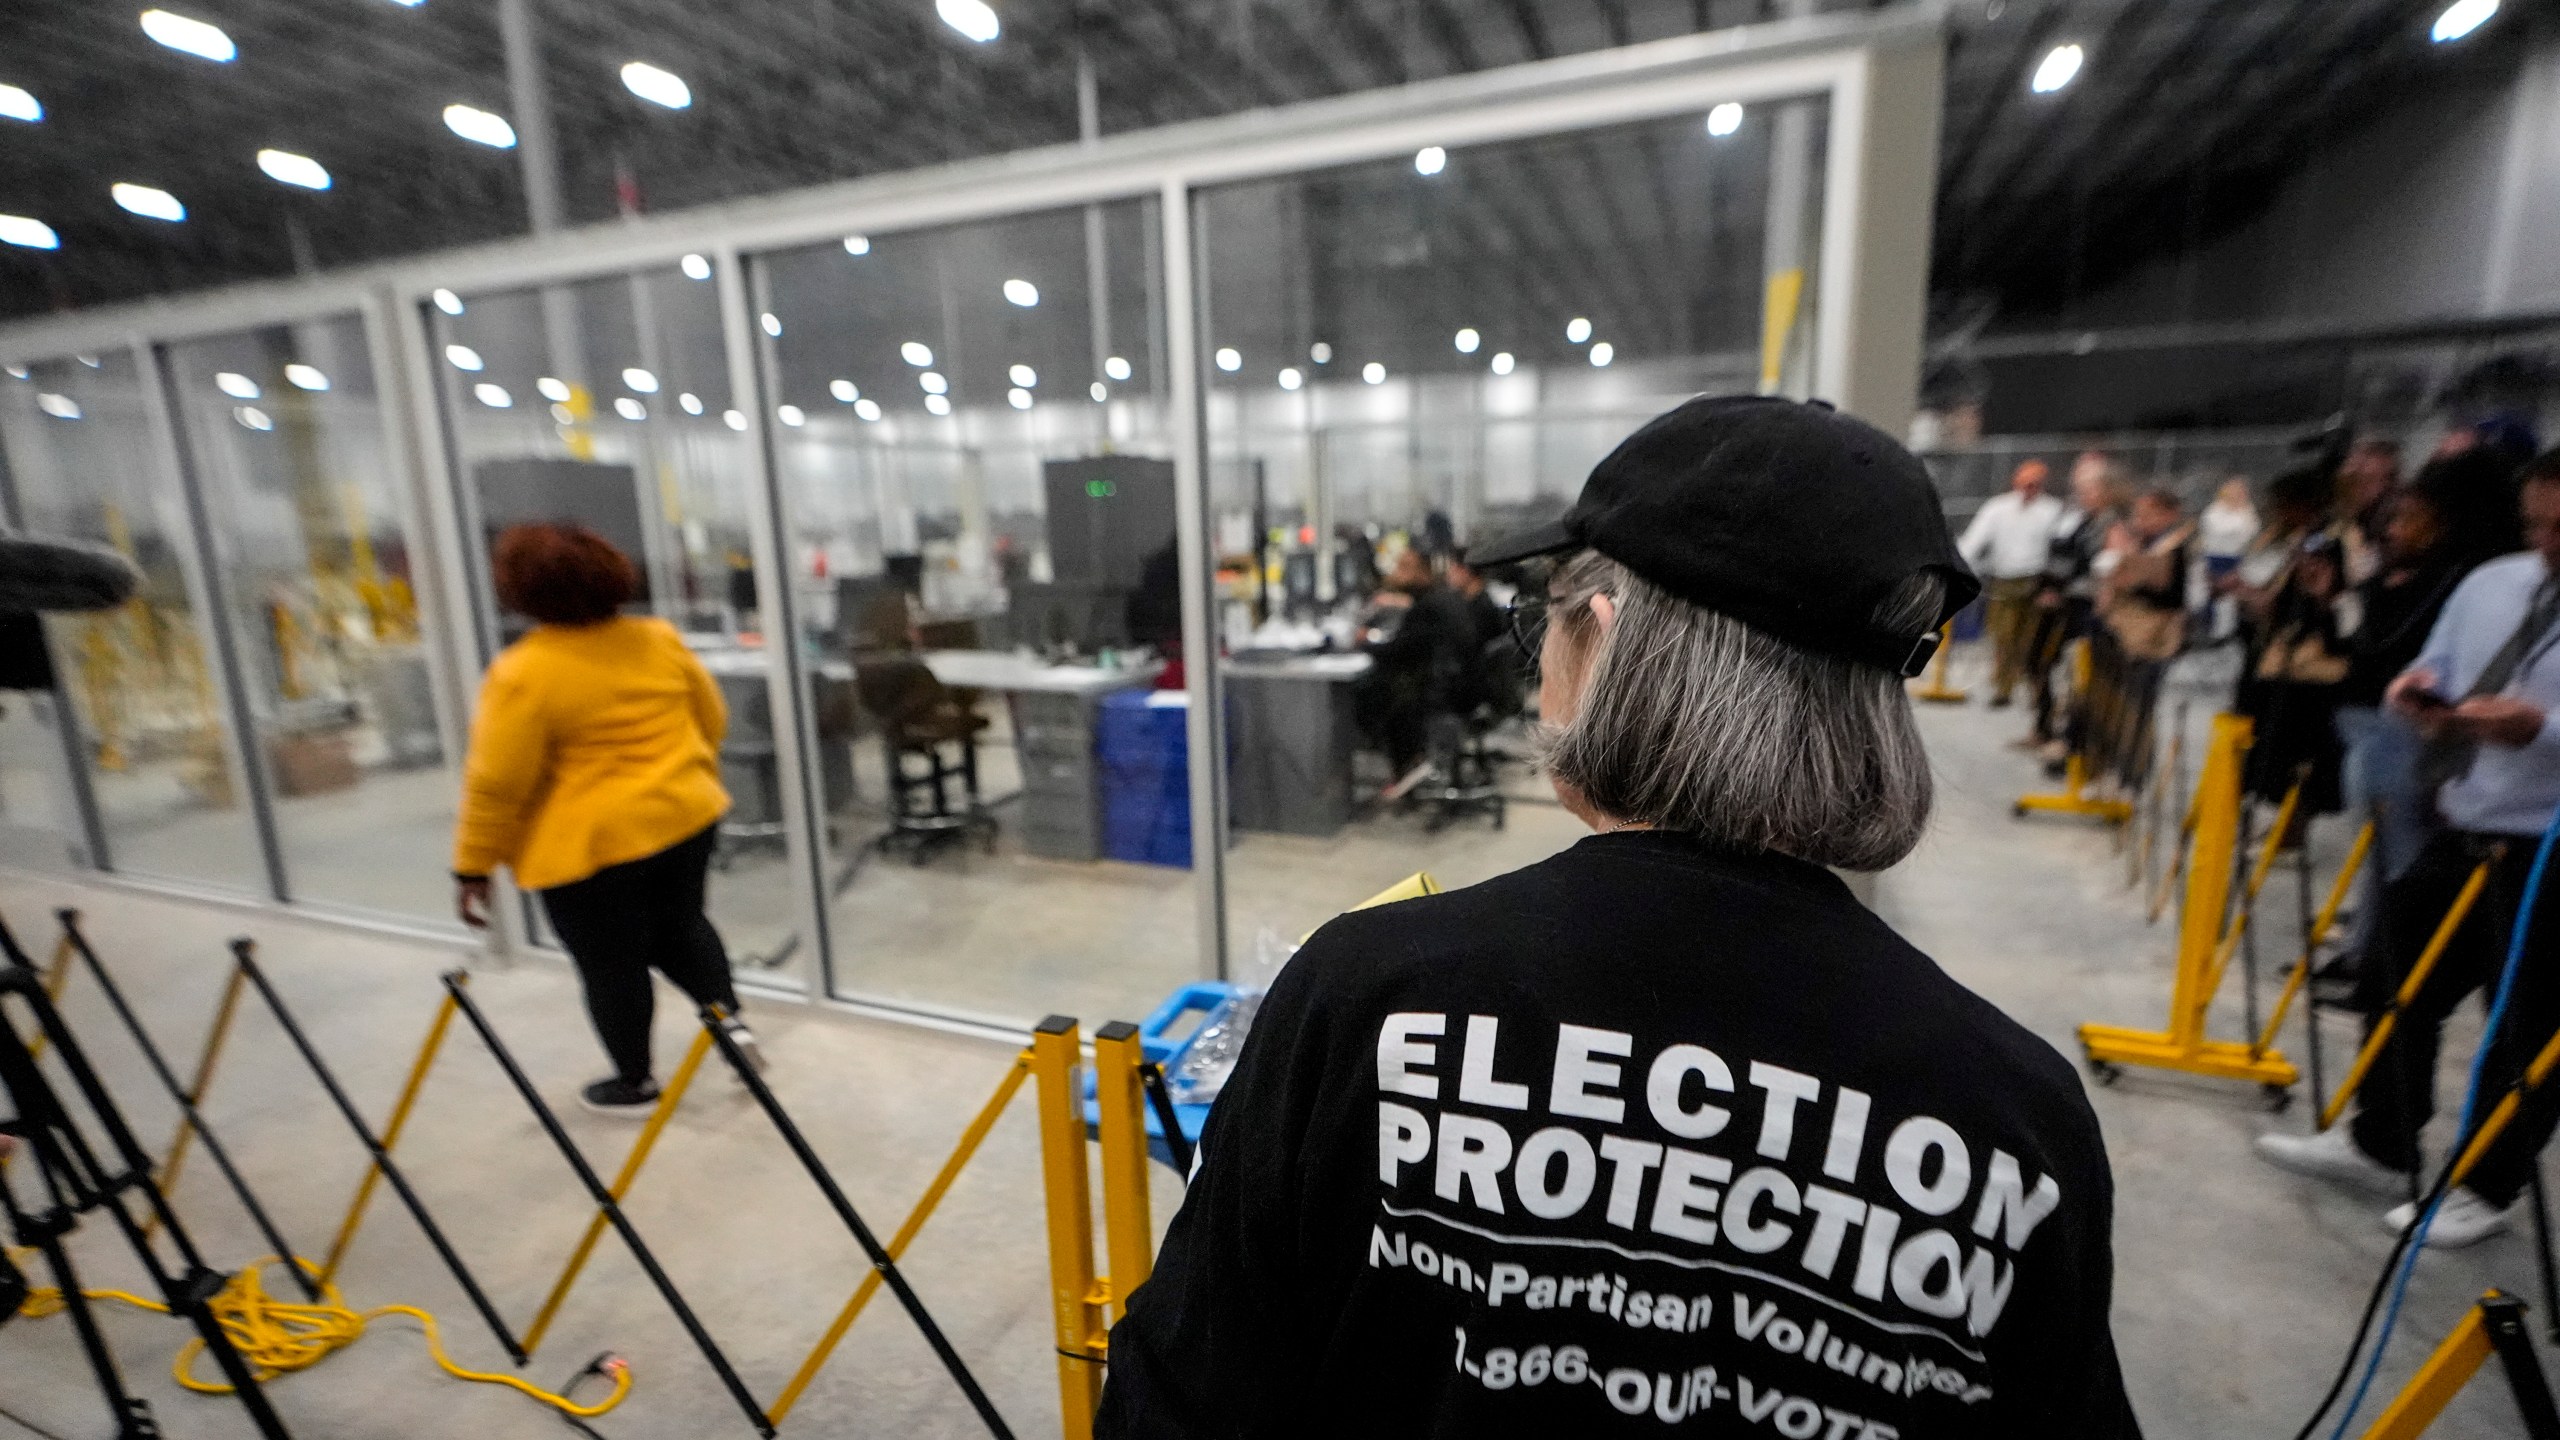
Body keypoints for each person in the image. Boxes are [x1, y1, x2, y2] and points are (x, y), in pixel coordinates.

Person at [1096, 396, 2138, 1438]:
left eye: (1538, 625)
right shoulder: (2018, 1129)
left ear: (1596, 642)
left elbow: (1174, 1404)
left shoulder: (1366, 998)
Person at [2256, 448, 2560, 1247]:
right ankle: (2381, 1140)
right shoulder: (2495, 582)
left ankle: (2485, 1185)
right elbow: (2437, 661)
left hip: (2549, 846)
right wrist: (2414, 691)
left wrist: (2541, 729)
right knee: (2393, 971)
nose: (2549, 543)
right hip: (2465, 822)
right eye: (2538, 525)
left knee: (2522, 1023)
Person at [452, 522, 760, 1116]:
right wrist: (675, 773)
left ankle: (634, 1082)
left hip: (589, 848)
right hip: (683, 816)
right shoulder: (659, 639)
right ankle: (733, 1031)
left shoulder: (523, 673)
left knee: (611, 965)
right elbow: (711, 718)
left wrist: (471, 866)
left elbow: (497, 786)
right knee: (684, 928)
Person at [2024, 456, 2119, 752]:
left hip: (2083, 610)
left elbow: (2102, 572)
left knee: (2074, 674)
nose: (2082, 493)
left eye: (2089, 488)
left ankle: (2070, 742)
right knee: (2040, 663)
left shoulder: (2111, 526)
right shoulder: (2076, 518)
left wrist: (2064, 592)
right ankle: (2044, 726)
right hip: (2058, 605)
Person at [1958, 459, 2064, 708]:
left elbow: (2057, 551)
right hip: (2004, 581)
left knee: (2031, 640)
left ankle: (2033, 691)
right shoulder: (1998, 508)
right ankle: (2003, 687)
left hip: (2036, 581)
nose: (2029, 489)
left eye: (2034, 484)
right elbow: (1974, 541)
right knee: (2004, 637)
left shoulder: (2052, 511)